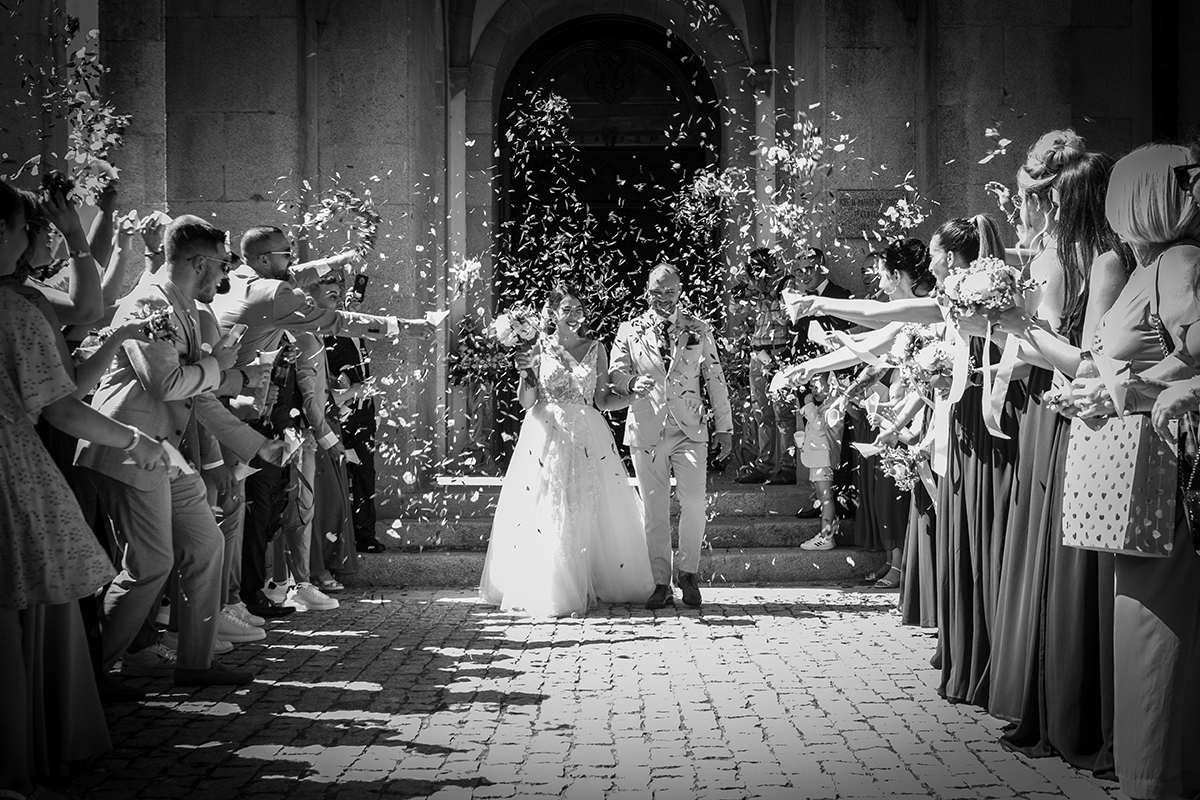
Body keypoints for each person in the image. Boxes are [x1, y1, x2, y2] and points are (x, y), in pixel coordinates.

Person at [0, 178, 169, 797]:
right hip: (19, 462)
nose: (27, 243)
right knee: (27, 605)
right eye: (26, 229)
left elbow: (88, 312)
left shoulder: (24, 298)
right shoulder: (14, 307)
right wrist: (136, 442)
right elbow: (64, 403)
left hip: (34, 446)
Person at [77, 215, 289, 687]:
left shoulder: (187, 308)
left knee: (206, 544)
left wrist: (258, 447)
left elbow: (198, 397)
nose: (227, 275)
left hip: (165, 453)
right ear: (198, 262)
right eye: (223, 264)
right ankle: (88, 678)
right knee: (149, 565)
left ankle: (195, 664)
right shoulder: (149, 302)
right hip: (128, 449)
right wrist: (222, 369)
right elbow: (167, 384)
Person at [1056, 143, 1200, 800]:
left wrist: (1126, 392)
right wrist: (1096, 388)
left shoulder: (1179, 260)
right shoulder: (1150, 264)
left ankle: (1158, 779)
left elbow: (1196, 354)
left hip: (1170, 467)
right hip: (1142, 465)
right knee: (1139, 621)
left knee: (1154, 626)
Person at [210, 225, 433, 619]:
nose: (292, 259)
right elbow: (334, 321)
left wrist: (340, 260)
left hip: (242, 404)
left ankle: (245, 596)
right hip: (243, 410)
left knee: (254, 509)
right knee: (248, 510)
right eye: (285, 253)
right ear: (263, 260)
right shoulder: (273, 293)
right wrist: (405, 327)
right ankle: (236, 601)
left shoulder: (242, 278)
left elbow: (301, 273)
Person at [480, 282, 655, 617]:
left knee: (588, 505)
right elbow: (527, 401)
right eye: (567, 309)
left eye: (579, 309)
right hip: (546, 431)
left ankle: (592, 577)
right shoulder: (537, 347)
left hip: (588, 433)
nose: (574, 315)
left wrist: (634, 395)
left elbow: (603, 400)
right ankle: (552, 585)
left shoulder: (596, 347)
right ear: (553, 313)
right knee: (550, 505)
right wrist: (525, 375)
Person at [609, 264, 734, 609]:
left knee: (694, 502)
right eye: (657, 291)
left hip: (689, 428)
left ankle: (688, 573)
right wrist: (632, 383)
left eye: (670, 291)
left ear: (680, 290)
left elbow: (715, 378)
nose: (664, 298)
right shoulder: (629, 329)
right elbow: (616, 372)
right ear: (646, 291)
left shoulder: (698, 328)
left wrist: (725, 427)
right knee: (655, 510)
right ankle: (661, 582)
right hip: (647, 428)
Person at [733, 246, 798, 486]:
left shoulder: (787, 285)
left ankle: (790, 466)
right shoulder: (754, 287)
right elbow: (737, 305)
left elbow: (787, 318)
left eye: (761, 267)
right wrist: (748, 287)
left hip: (780, 353)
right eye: (753, 267)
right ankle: (765, 464)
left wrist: (768, 292)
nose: (756, 272)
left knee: (784, 415)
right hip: (758, 354)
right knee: (761, 413)